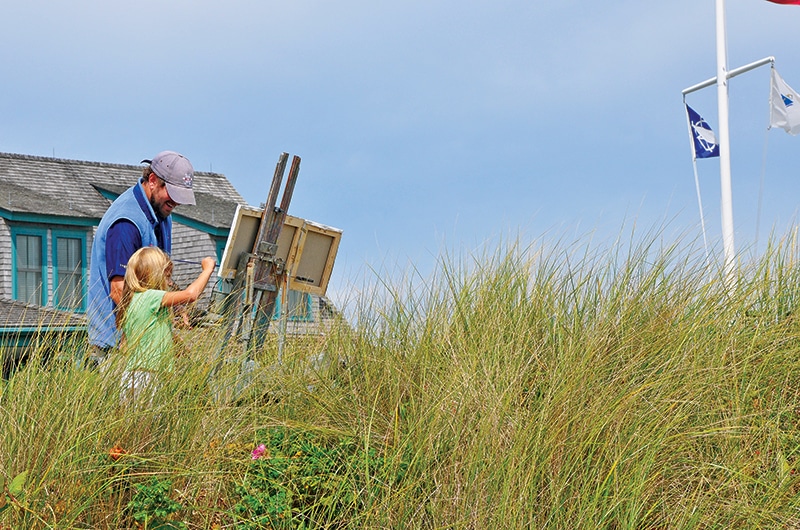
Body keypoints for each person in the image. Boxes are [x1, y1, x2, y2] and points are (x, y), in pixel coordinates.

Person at [86, 151, 197, 368]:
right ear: (153, 180)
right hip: (117, 348)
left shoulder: (162, 214)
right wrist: (166, 336)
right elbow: (119, 291)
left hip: (146, 343)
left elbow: (158, 277)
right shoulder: (126, 223)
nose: (175, 202)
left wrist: (177, 308)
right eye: (171, 193)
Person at [115, 247, 215, 401]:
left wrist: (170, 333)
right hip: (149, 377)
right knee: (150, 424)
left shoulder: (132, 300)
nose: (170, 282)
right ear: (153, 275)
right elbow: (191, 295)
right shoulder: (151, 297)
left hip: (132, 376)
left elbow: (127, 344)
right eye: (167, 276)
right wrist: (207, 270)